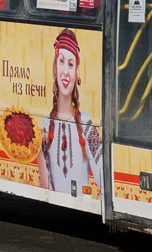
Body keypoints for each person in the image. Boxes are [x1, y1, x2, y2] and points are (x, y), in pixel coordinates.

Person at [37, 29, 103, 195]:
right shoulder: (45, 124)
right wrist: (37, 149)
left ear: (76, 74)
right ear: (55, 68)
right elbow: (45, 189)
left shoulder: (87, 125)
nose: (65, 71)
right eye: (61, 61)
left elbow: (105, 177)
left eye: (71, 64)